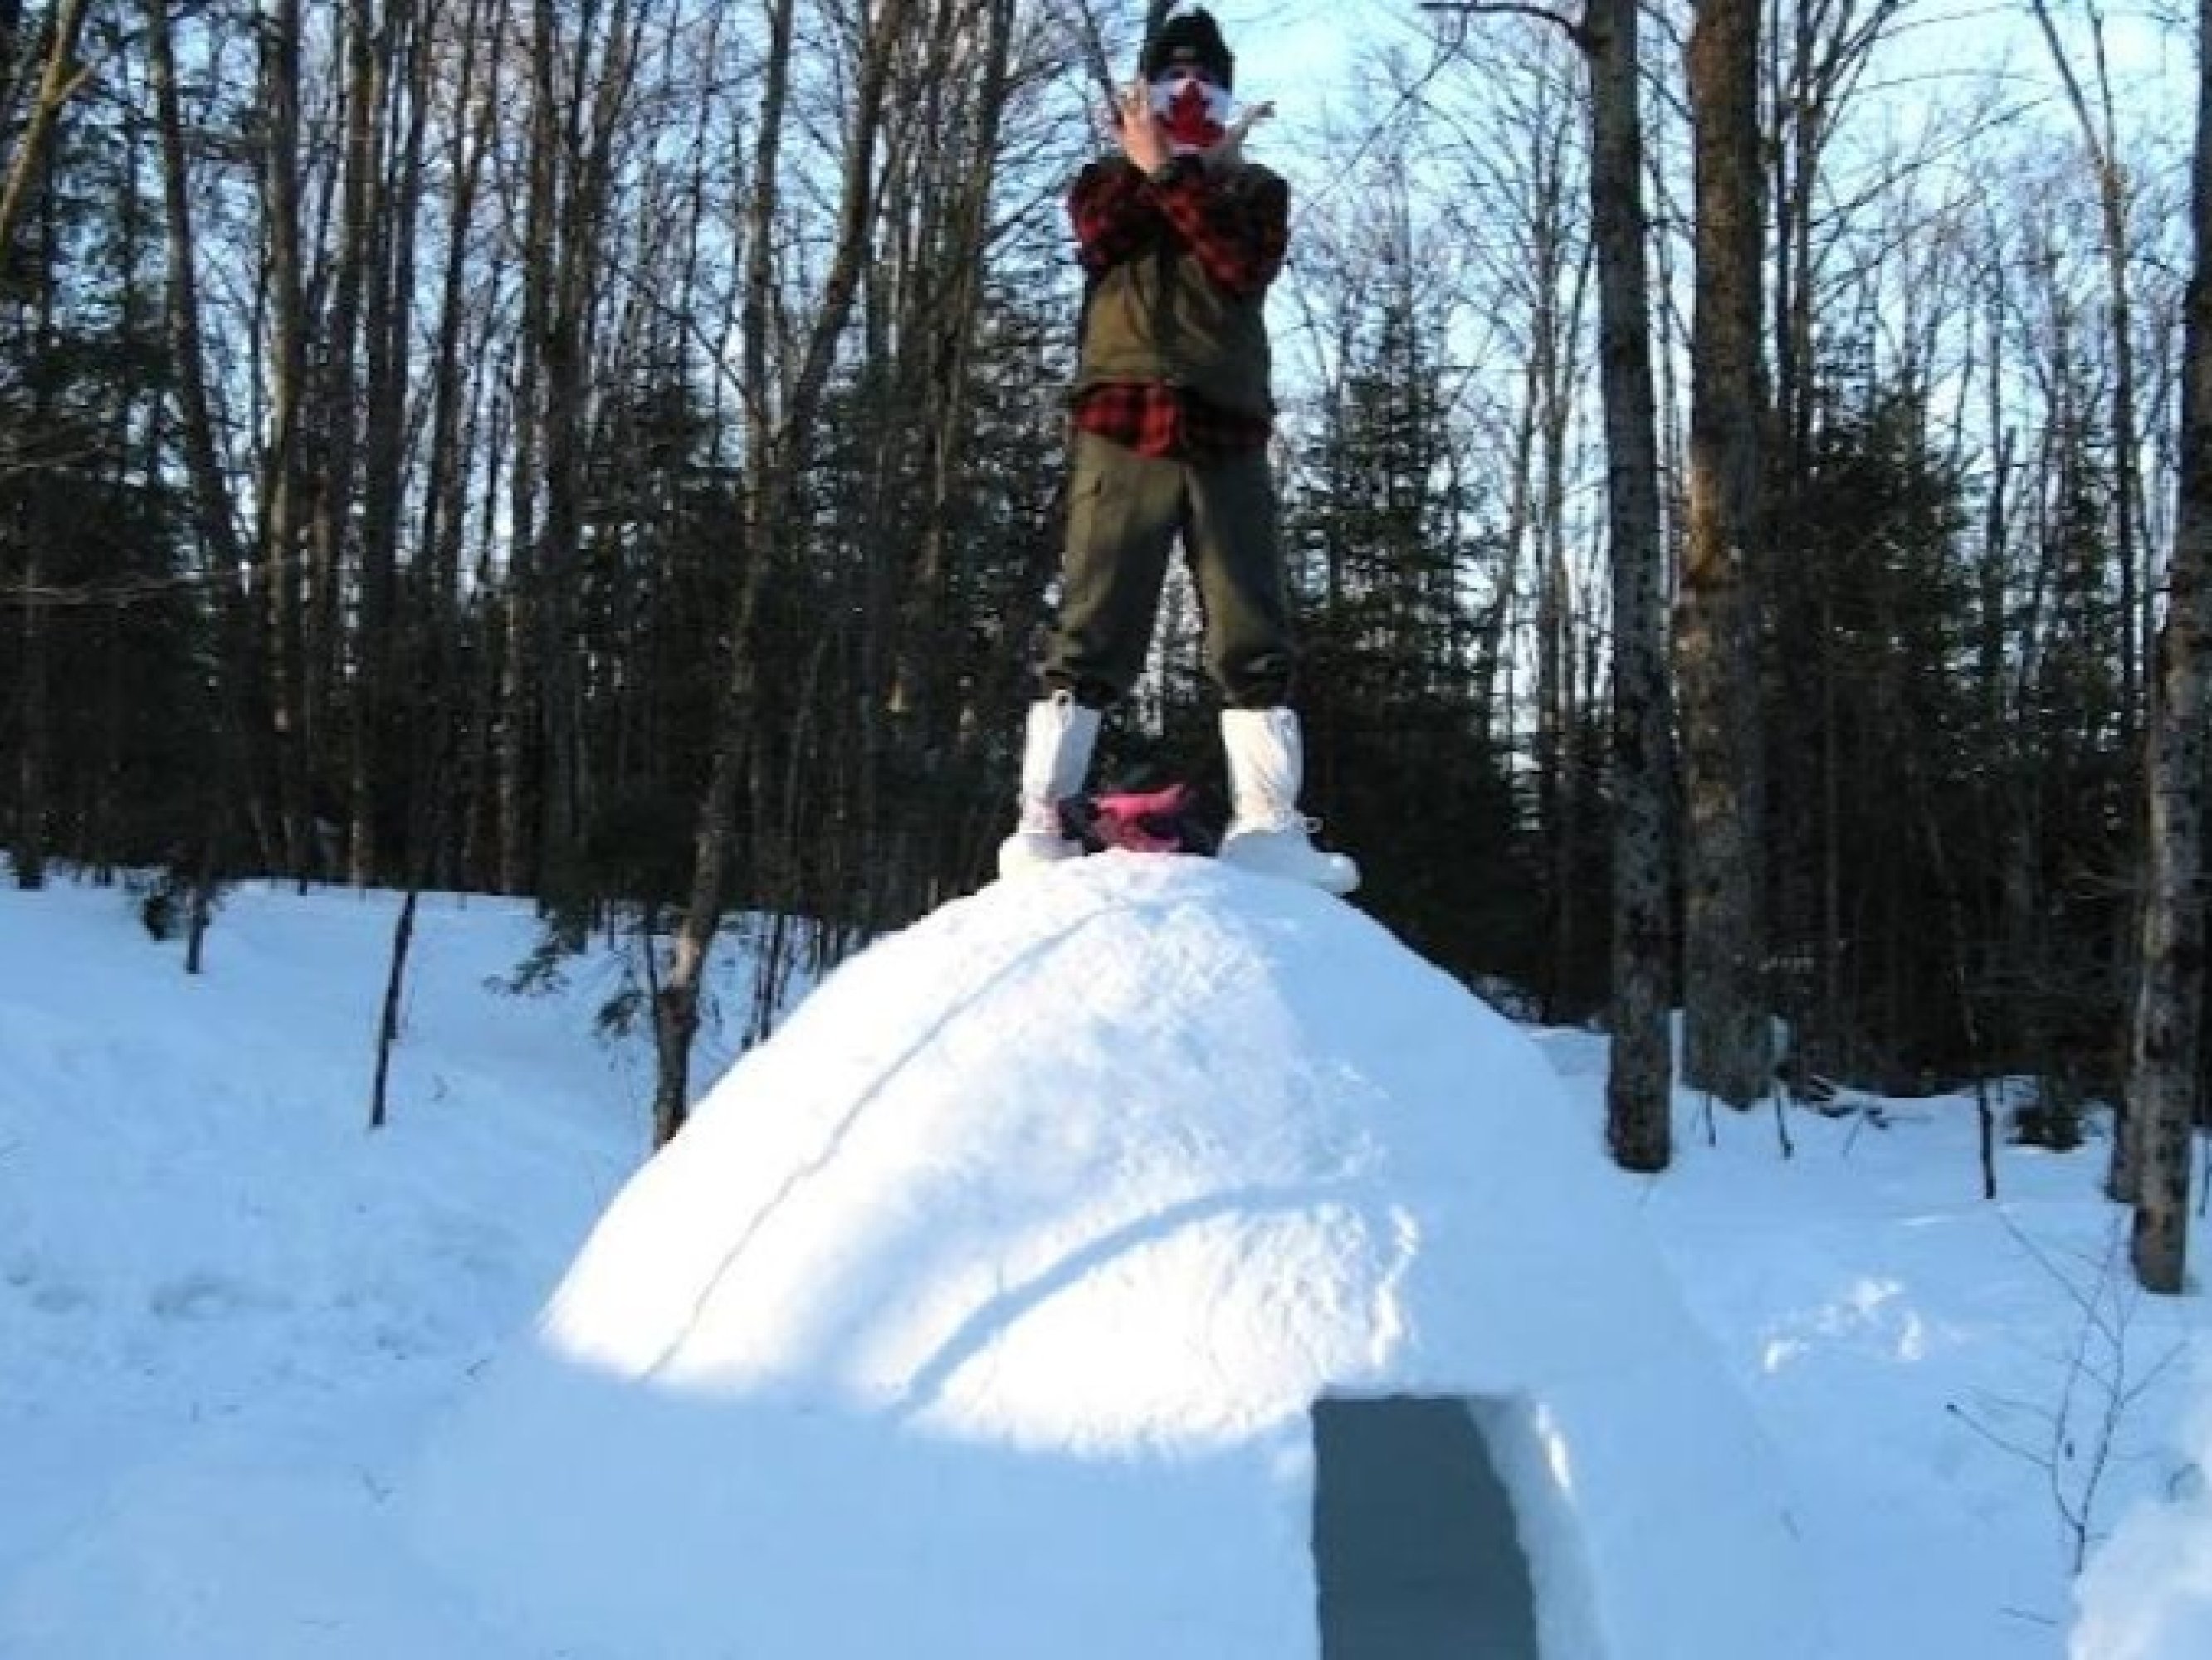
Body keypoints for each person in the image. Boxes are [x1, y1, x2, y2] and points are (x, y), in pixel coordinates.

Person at [997, 5, 1358, 896]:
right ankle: (1044, 817)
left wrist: (1188, 175)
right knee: (1094, 620)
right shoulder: (1101, 182)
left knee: (1250, 621)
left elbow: (1239, 268)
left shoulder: (1255, 192)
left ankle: (1270, 825)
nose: (1189, 91)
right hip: (1120, 420)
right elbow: (1100, 240)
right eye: (1173, 76)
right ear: (1142, 90)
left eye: (1206, 78)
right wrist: (1154, 169)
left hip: (1225, 424)